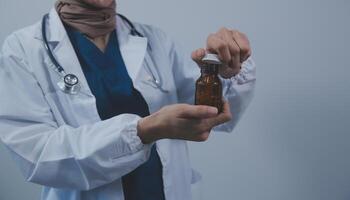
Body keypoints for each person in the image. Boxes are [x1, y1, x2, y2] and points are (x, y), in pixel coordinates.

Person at [0, 0, 256, 199]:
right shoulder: (22, 50)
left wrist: (223, 70)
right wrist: (143, 131)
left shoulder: (155, 40)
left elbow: (214, 114)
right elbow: (39, 155)